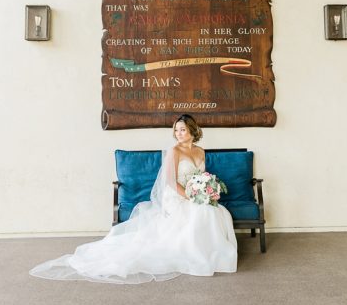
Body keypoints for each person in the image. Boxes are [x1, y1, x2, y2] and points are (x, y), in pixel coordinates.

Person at [30, 114, 237, 284]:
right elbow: (171, 183)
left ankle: (212, 254)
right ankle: (198, 255)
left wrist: (206, 190)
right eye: (176, 130)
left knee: (217, 211)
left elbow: (201, 177)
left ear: (193, 130)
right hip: (176, 196)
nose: (178, 133)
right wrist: (193, 196)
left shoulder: (200, 151)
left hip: (192, 194)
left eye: (182, 129)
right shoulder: (173, 152)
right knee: (202, 211)